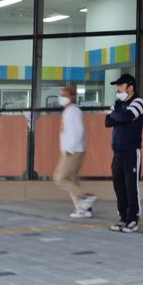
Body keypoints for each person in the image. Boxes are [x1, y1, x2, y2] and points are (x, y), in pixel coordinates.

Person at [104, 73, 143, 232]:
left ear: (130, 87)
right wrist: (119, 116)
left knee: (131, 186)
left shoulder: (139, 101)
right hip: (117, 152)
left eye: (120, 86)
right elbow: (107, 121)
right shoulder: (118, 103)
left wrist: (118, 116)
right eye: (117, 86)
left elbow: (128, 115)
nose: (118, 89)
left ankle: (132, 219)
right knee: (119, 186)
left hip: (131, 151)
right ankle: (123, 217)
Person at [53, 86, 96, 218]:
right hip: (70, 150)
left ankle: (86, 197)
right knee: (72, 180)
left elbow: (78, 131)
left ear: (72, 97)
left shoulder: (73, 111)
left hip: (73, 151)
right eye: (61, 95)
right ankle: (83, 209)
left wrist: (70, 149)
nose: (61, 98)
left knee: (60, 178)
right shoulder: (68, 111)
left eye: (64, 95)